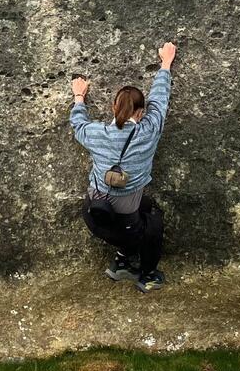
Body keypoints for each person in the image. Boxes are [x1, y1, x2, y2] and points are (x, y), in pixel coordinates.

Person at [69, 42, 176, 293]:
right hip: (124, 226)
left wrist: (78, 96)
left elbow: (78, 123)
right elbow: (159, 101)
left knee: (144, 207)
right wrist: (166, 64)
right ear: (141, 112)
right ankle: (147, 276)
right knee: (153, 223)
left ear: (113, 107)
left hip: (93, 214)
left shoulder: (97, 134)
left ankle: (121, 263)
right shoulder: (149, 131)